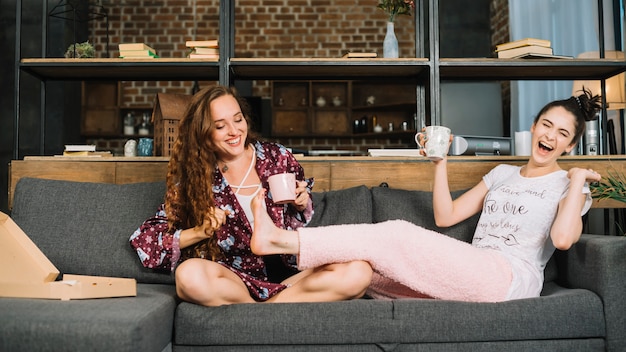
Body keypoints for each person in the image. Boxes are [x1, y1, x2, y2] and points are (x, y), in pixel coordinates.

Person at [250, 88, 603, 302]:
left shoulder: (570, 186)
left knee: (395, 233)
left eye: (562, 134)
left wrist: (576, 181)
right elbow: (445, 218)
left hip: (509, 279)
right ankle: (265, 298)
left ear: (570, 145)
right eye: (546, 125)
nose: (550, 137)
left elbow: (562, 239)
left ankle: (281, 240)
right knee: (363, 271)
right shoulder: (502, 174)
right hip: (471, 268)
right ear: (534, 126)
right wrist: (440, 162)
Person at [130, 86, 372, 306]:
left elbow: (301, 214)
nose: (234, 131)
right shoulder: (194, 177)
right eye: (220, 125)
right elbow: (147, 240)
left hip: (290, 276)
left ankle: (259, 310)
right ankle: (279, 305)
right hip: (233, 280)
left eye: (238, 119)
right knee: (188, 276)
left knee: (359, 272)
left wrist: (301, 201)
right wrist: (200, 231)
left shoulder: (277, 157)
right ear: (203, 132)